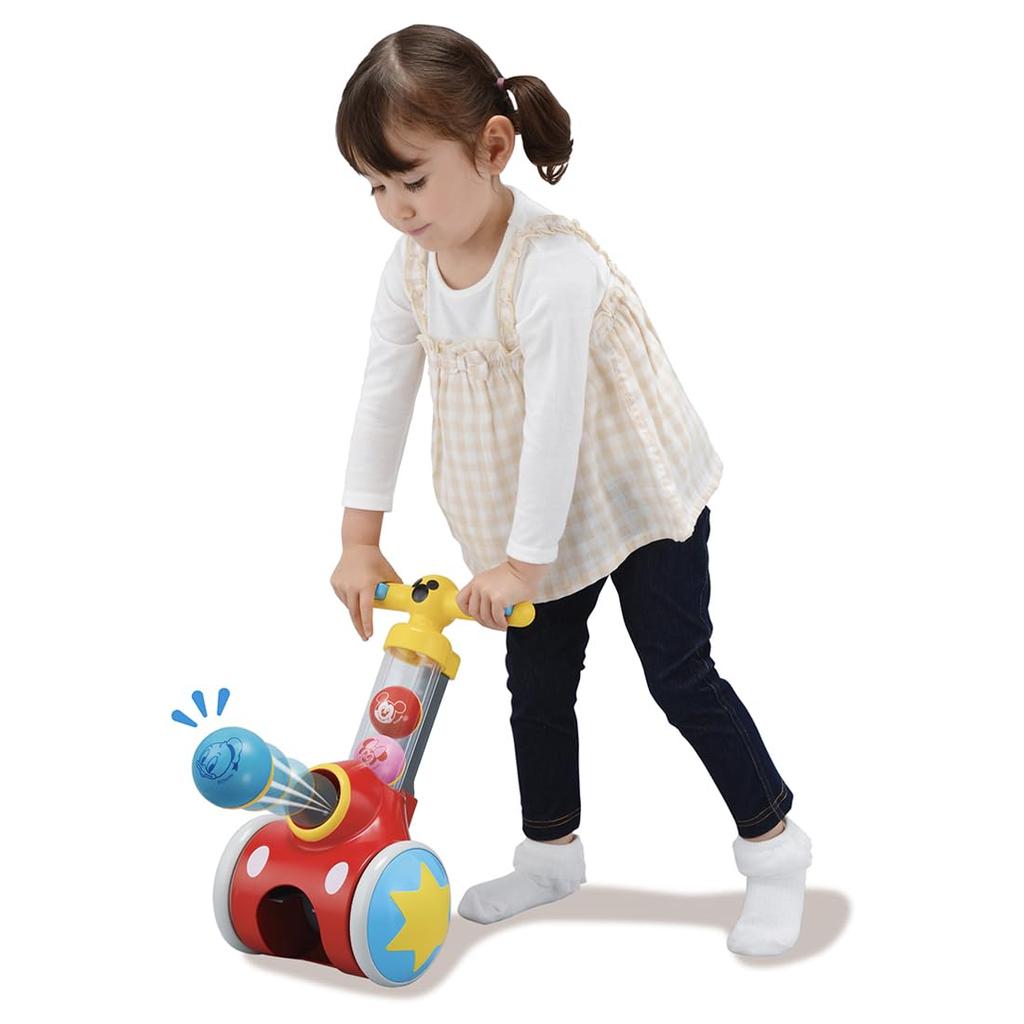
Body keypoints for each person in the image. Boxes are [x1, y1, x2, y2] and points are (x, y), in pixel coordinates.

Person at [329, 23, 812, 956]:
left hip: (633, 495)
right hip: (532, 521)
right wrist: (359, 536)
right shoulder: (411, 269)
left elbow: (556, 422)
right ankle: (549, 854)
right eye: (375, 187)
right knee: (538, 687)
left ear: (492, 148)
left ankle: (774, 848)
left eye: (411, 179)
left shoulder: (550, 266)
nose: (394, 207)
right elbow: (382, 392)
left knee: (680, 675)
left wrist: (521, 567)